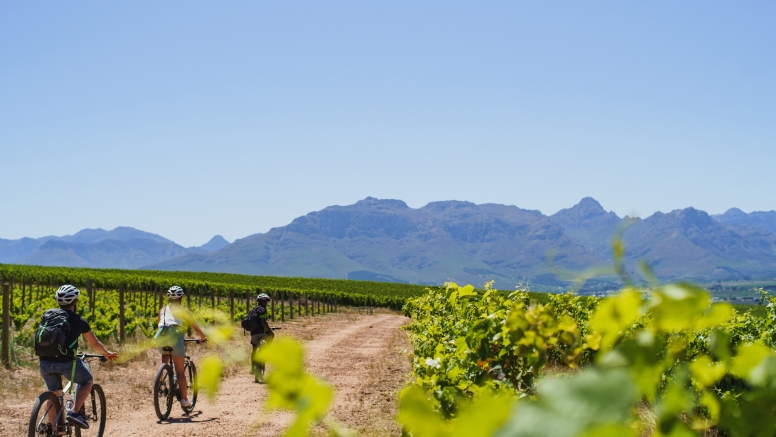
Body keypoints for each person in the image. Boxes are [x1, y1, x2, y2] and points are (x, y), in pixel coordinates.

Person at [39, 285, 118, 429]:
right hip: (66, 362)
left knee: (53, 394)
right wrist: (106, 354)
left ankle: (55, 430)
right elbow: (94, 343)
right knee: (87, 381)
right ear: (75, 302)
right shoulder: (79, 321)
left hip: (44, 362)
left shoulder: (47, 314)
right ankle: (74, 412)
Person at [154, 286, 207, 408]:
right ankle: (184, 400)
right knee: (179, 371)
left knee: (165, 354)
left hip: (160, 335)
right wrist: (202, 337)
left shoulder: (162, 310)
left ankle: (161, 378)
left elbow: (159, 325)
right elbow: (194, 325)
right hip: (175, 334)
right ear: (181, 298)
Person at [246, 293, 274, 377]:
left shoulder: (254, 310)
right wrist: (270, 331)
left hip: (253, 333)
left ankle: (252, 368)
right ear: (261, 301)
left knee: (254, 350)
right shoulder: (262, 310)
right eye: (264, 300)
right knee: (271, 337)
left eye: (266, 300)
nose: (266, 302)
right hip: (262, 333)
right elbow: (263, 322)